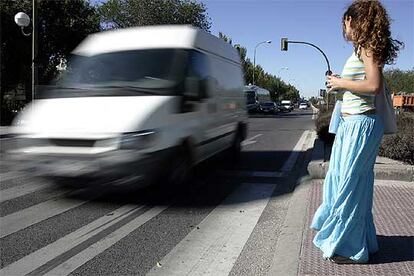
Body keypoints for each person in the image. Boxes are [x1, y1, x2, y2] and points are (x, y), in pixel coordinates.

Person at [310, 0, 403, 264]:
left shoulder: (369, 48)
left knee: (350, 185)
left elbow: (373, 85)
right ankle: (359, 241)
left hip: (362, 125)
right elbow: (362, 84)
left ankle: (351, 248)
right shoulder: (361, 49)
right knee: (344, 182)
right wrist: (342, 85)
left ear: (353, 20)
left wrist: (340, 82)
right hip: (352, 124)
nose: (344, 29)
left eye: (345, 23)